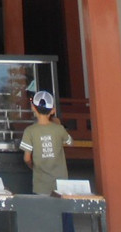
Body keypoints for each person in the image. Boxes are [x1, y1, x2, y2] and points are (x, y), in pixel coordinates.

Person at [19, 90, 74, 232]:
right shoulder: (59, 129)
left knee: (42, 222)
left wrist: (33, 167)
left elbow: (26, 158)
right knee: (65, 221)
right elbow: (70, 142)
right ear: (53, 110)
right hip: (62, 186)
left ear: (33, 108)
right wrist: (57, 123)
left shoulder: (30, 131)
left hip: (40, 185)